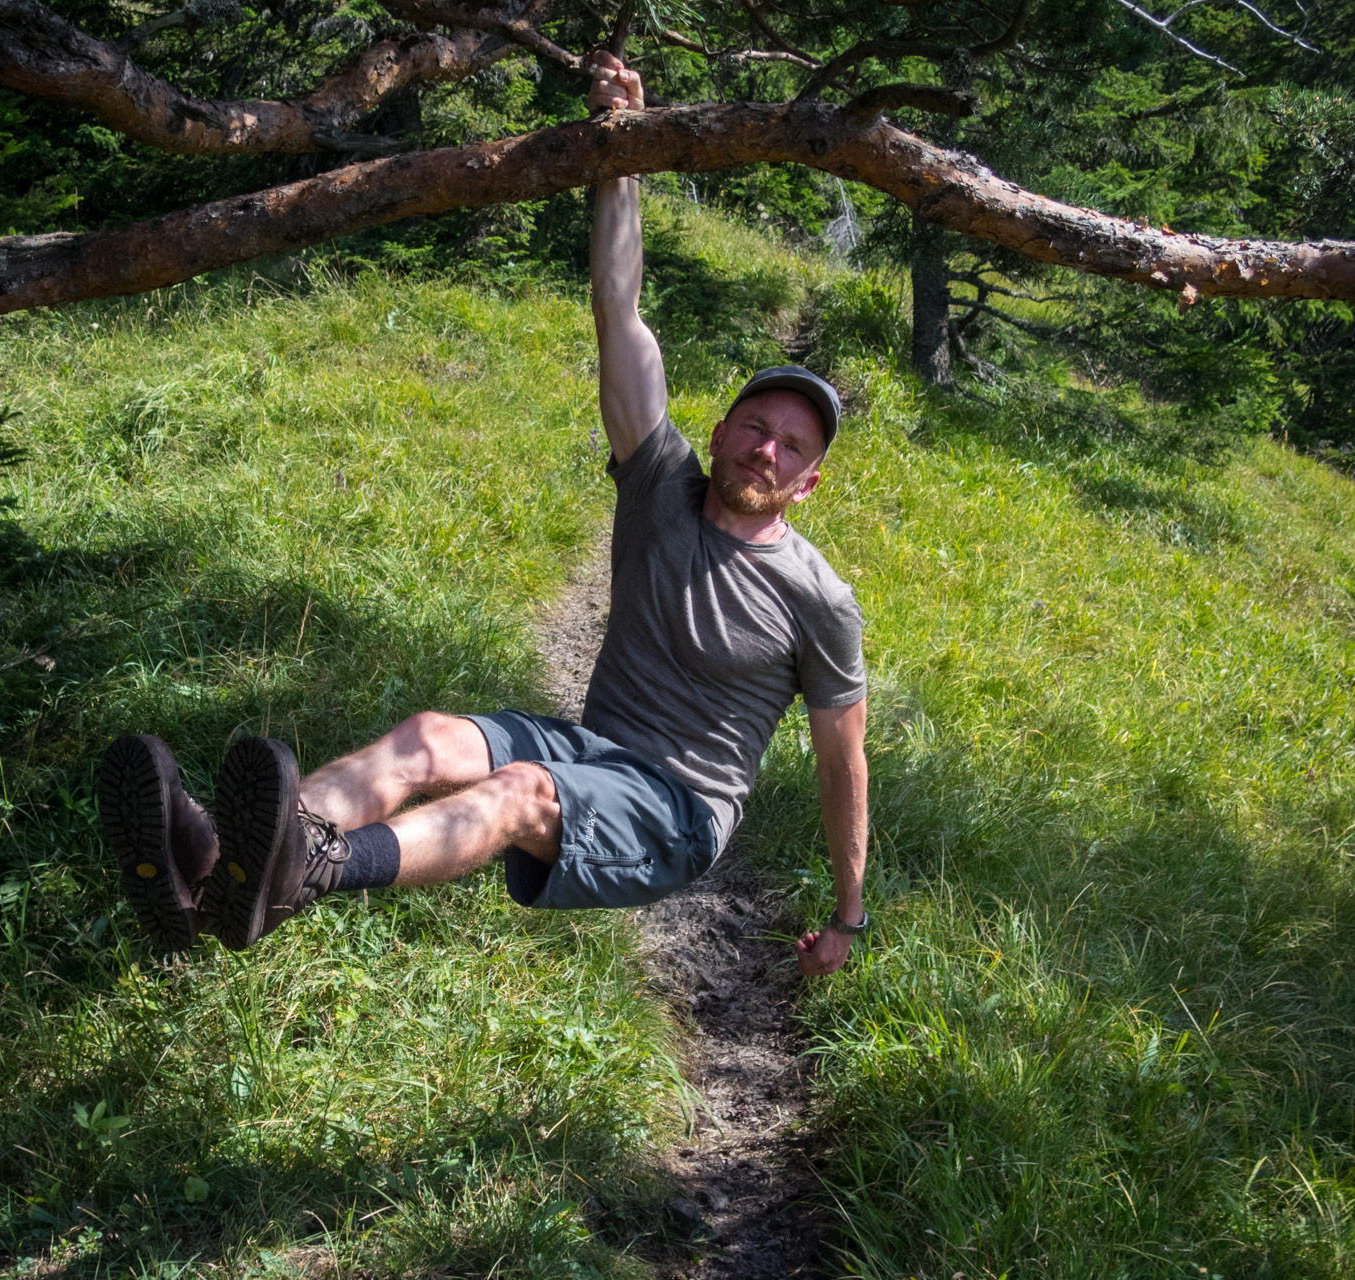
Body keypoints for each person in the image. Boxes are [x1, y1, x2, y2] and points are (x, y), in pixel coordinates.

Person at [99, 52, 871, 977]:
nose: (766, 449)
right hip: (592, 745)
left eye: (793, 447)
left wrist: (848, 913)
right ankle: (217, 865)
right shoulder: (661, 480)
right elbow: (619, 310)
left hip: (677, 808)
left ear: (808, 483)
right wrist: (618, 152)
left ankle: (304, 869)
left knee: (516, 792)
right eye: (756, 426)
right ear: (720, 428)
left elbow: (841, 765)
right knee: (428, 736)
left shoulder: (818, 598)